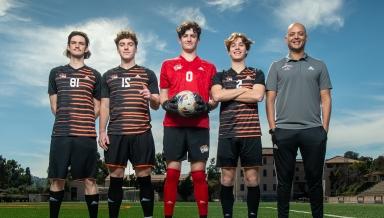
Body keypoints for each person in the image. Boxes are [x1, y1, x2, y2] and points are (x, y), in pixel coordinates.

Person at [266, 22, 332, 218]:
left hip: (313, 131)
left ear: (306, 38)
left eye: (300, 34)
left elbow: (326, 98)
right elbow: (270, 99)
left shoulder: (319, 65)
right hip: (284, 131)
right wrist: (273, 129)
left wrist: (324, 130)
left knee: (314, 181)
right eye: (292, 34)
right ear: (286, 38)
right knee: (284, 182)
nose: (296, 37)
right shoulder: (276, 66)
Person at [98, 30, 160, 218]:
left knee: (144, 179)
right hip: (116, 133)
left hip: (142, 132)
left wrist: (152, 97)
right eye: (122, 44)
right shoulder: (108, 75)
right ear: (118, 49)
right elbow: (105, 105)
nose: (126, 47)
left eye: (130, 44)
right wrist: (101, 131)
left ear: (136, 47)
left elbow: (157, 104)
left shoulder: (147, 74)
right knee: (115, 178)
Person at [159, 21, 217, 218]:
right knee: (172, 174)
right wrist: (166, 104)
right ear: (179, 39)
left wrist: (208, 105)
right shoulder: (167, 65)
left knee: (199, 175)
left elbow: (214, 98)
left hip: (199, 126)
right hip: (173, 125)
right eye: (185, 36)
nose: (189, 38)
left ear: (198, 40)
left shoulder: (209, 67)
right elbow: (163, 96)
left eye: (193, 35)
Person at [211, 32, 265, 218]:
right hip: (227, 133)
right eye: (233, 45)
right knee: (226, 178)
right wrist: (244, 90)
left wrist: (230, 92)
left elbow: (257, 96)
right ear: (228, 50)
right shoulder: (220, 75)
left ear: (246, 49)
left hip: (251, 133)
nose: (237, 47)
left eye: (241, 44)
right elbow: (217, 96)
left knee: (252, 178)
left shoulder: (257, 73)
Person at [48, 31, 101, 218]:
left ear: (86, 48)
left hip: (85, 135)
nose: (77, 45)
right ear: (68, 46)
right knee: (57, 180)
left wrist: (84, 119)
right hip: (61, 134)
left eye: (81, 43)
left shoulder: (95, 75)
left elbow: (98, 106)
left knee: (90, 180)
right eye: (73, 42)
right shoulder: (56, 73)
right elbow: (54, 107)